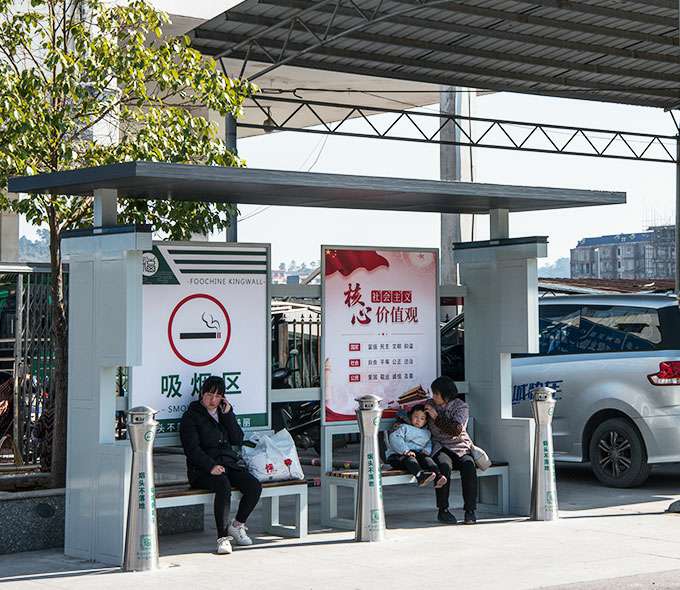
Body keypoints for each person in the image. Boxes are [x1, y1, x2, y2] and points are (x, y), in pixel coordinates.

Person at [179, 376, 262, 554]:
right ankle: (222, 538)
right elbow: (192, 450)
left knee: (254, 485)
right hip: (201, 470)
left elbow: (237, 439)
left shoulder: (224, 414)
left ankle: (237, 525)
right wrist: (211, 466)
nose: (213, 400)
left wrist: (228, 415)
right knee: (223, 485)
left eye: (218, 396)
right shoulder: (191, 416)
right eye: (209, 395)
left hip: (228, 465)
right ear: (202, 394)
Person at [425, 376, 477, 525]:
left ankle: (470, 511)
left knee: (469, 466)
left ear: (446, 395)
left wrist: (436, 417)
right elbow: (416, 416)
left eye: (436, 394)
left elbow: (456, 429)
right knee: (444, 467)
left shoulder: (461, 407)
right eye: (433, 393)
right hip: (440, 446)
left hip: (460, 446)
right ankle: (443, 510)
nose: (433, 397)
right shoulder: (429, 404)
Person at [386, 404, 447, 488]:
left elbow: (428, 443)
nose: (418, 420)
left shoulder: (426, 432)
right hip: (399, 456)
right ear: (410, 416)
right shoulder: (403, 427)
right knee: (410, 458)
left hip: (416, 456)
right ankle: (420, 476)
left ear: (425, 421)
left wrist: (426, 451)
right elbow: (395, 438)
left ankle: (438, 476)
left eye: (422, 418)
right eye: (416, 417)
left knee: (427, 459)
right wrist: (405, 451)